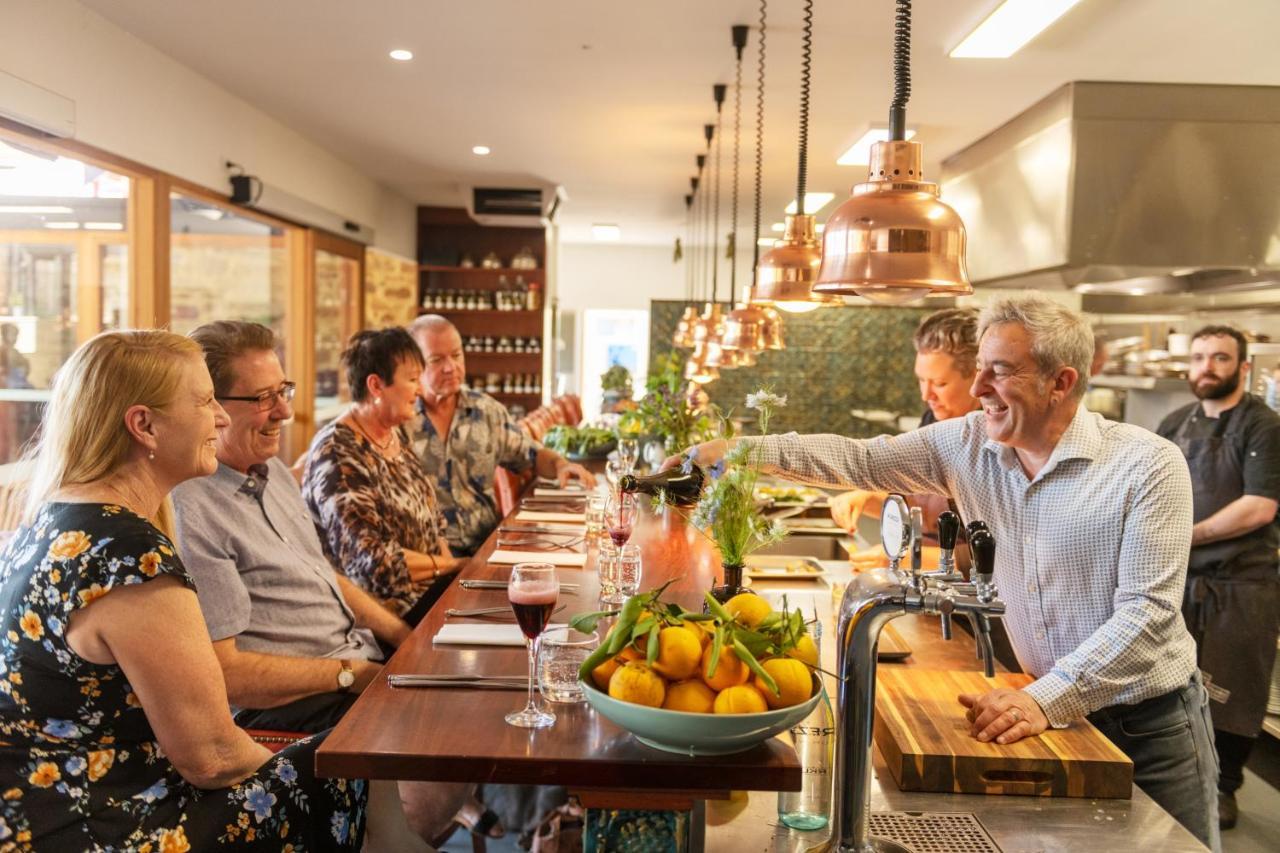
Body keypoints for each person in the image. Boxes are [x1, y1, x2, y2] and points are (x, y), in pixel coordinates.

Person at [675, 294, 1218, 850]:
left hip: (1148, 725)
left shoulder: (1147, 465)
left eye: (1000, 371)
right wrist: (735, 451)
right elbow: (860, 459)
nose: (978, 387)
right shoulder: (967, 444)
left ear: (1061, 382)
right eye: (979, 368)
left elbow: (1147, 615)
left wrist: (1043, 699)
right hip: (1043, 706)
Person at [0, 330, 368, 850]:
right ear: (144, 426)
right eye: (204, 400)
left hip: (46, 813)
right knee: (347, 757)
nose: (220, 417)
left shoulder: (54, 518)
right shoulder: (128, 554)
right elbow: (212, 758)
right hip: (111, 824)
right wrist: (296, 775)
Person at [172, 320, 495, 846]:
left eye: (283, 391)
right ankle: (400, 834)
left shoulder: (271, 471)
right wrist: (352, 674)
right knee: (456, 722)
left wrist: (404, 642)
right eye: (262, 398)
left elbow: (330, 578)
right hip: (294, 701)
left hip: (352, 661)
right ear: (211, 406)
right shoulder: (192, 508)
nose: (283, 411)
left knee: (470, 688)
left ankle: (411, 830)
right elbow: (226, 676)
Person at [1156, 325, 1280, 831]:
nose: (1207, 367)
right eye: (1200, 356)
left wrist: (1184, 535)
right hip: (1180, 580)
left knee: (1233, 691)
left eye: (1221, 358)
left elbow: (1259, 506)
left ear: (1243, 368)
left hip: (1242, 584)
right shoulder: (1172, 423)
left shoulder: (1264, 426)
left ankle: (1223, 789)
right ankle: (1174, 778)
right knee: (1170, 683)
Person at [303, 328, 465, 625]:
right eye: (413, 379)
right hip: (385, 615)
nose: (420, 390)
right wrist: (452, 567)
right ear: (376, 386)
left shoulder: (393, 435)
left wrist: (455, 579)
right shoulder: (338, 454)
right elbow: (374, 565)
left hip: (430, 593)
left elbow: (435, 524)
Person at [406, 315, 596, 556]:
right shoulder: (400, 420)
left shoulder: (486, 411)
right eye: (436, 359)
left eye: (456, 355)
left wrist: (560, 465)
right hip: (426, 560)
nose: (450, 367)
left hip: (483, 551)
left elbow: (531, 453)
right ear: (414, 365)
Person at [832, 307, 981, 571]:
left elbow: (999, 557)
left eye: (940, 383)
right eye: (921, 380)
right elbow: (923, 511)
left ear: (978, 377)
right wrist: (866, 498)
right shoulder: (933, 421)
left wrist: (911, 558)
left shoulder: (996, 442)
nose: (926, 395)